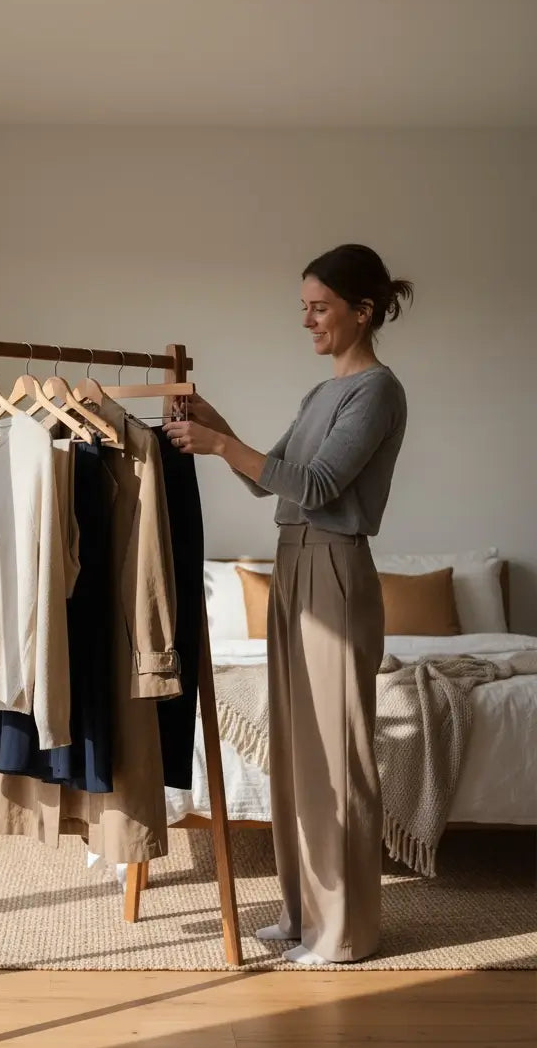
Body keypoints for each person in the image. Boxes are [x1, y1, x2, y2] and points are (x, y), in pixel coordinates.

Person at [165, 243, 412, 964]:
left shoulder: (378, 390)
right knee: (298, 749)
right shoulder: (320, 395)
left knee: (336, 753)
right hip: (292, 563)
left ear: (361, 312)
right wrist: (218, 432)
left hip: (334, 568)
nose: (306, 321)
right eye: (303, 306)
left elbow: (320, 485)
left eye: (319, 307)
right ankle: (304, 913)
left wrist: (220, 443)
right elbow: (269, 478)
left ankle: (345, 932)